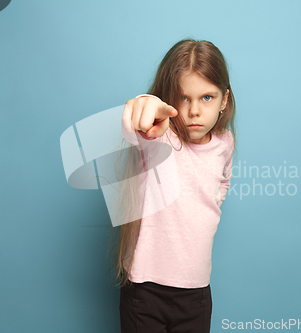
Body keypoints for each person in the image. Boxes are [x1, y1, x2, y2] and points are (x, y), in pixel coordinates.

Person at [111, 38, 237, 333]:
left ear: (224, 100)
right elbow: (139, 128)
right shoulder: (159, 139)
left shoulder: (225, 142)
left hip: (195, 292)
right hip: (145, 291)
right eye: (183, 98)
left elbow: (223, 181)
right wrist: (144, 107)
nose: (194, 110)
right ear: (169, 99)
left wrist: (208, 205)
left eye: (207, 97)